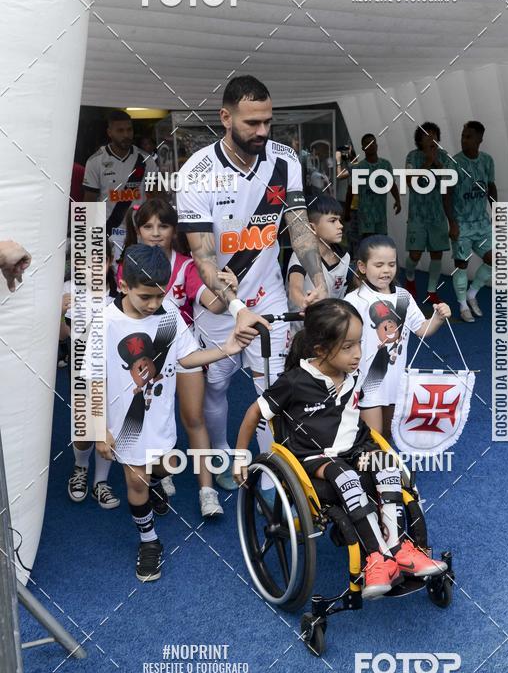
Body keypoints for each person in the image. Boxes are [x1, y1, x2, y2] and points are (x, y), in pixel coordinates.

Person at [233, 299, 447, 599]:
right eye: (348, 347)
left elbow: (354, 419)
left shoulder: (352, 373)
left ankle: (399, 547)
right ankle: (376, 558)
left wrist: (373, 447)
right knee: (344, 475)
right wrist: (241, 457)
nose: (358, 353)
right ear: (320, 351)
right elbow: (253, 414)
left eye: (359, 343)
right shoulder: (294, 382)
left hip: (354, 448)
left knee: (386, 464)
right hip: (313, 457)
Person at [176, 75, 327, 489]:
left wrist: (319, 278)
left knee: (273, 386)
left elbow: (297, 227)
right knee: (218, 386)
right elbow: (203, 257)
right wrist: (237, 308)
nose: (262, 131)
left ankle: (269, 475)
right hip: (221, 305)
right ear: (225, 118)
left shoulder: (285, 160)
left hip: (270, 294)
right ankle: (224, 454)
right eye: (252, 123)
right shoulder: (197, 173)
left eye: (268, 122)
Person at [94, 244, 250, 582]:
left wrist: (226, 349)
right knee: (135, 479)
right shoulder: (105, 322)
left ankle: (154, 486)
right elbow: (92, 378)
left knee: (162, 465)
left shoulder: (168, 316)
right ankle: (149, 541)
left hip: (159, 416)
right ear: (123, 286)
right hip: (125, 422)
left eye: (159, 295)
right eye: (145, 297)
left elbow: (186, 359)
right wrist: (98, 427)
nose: (154, 304)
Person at [120, 197, 238, 517]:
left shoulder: (187, 265)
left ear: (176, 230)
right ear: (138, 230)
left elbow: (212, 304)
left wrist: (229, 292)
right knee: (150, 420)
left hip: (182, 348)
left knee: (193, 417)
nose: (156, 233)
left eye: (164, 225)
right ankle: (160, 474)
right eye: (147, 226)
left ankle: (206, 491)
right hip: (141, 356)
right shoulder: (128, 264)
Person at [345, 236, 451, 441]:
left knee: (389, 434)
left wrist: (437, 318)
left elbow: (421, 329)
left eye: (391, 264)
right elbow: (343, 340)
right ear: (362, 266)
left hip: (396, 381)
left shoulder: (403, 297)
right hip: (368, 380)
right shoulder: (354, 299)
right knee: (373, 437)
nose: (386, 270)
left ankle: (383, 470)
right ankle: (371, 471)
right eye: (379, 265)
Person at [62, 237, 120, 508]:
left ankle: (101, 482)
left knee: (108, 428)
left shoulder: (120, 294)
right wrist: (56, 314)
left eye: (99, 260)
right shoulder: (65, 291)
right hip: (82, 372)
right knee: (84, 427)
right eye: (83, 261)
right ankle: (80, 467)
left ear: (109, 262)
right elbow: (61, 338)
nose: (91, 267)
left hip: (114, 372)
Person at [82, 110, 160, 262]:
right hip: (108, 233)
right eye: (120, 130)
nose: (126, 135)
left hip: (140, 231)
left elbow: (155, 197)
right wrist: (88, 240)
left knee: (139, 279)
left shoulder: (146, 160)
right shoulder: (95, 161)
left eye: (129, 129)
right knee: (109, 281)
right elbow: (88, 202)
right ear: (109, 132)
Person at [445, 121, 497, 322]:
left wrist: (497, 211)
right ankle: (462, 305)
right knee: (462, 264)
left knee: (496, 258)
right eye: (463, 136)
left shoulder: (487, 161)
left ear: (479, 139)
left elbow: (491, 187)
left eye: (468, 137)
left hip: (482, 224)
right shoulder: (453, 163)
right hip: (462, 224)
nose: (464, 140)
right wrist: (452, 223)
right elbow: (447, 194)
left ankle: (472, 294)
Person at [404, 122, 454, 306]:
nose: (431, 139)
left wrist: (437, 161)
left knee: (436, 254)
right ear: (419, 139)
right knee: (415, 255)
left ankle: (432, 291)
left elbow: (450, 179)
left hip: (438, 214)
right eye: (427, 135)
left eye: (434, 135)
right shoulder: (412, 156)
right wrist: (427, 163)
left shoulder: (445, 156)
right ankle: (409, 277)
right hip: (417, 214)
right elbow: (409, 181)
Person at [286, 194, 350, 333]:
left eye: (340, 220)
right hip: (302, 331)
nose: (340, 226)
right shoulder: (301, 255)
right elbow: (294, 289)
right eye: (332, 221)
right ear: (312, 227)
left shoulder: (344, 257)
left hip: (331, 329)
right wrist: (305, 303)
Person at [344, 134, 401, 244]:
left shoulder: (385, 165)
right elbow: (350, 191)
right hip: (365, 215)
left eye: (373, 143)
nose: (371, 146)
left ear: (377, 145)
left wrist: (398, 201)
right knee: (369, 244)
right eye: (367, 144)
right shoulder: (359, 167)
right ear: (363, 148)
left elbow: (391, 184)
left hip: (381, 215)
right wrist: (347, 212)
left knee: (381, 243)